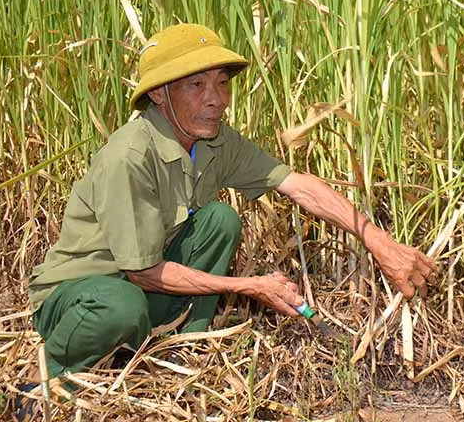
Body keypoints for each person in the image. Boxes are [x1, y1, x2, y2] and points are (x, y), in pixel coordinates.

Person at [27, 23, 437, 379]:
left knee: (219, 220)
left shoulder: (215, 140)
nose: (217, 99)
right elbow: (142, 273)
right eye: (197, 85)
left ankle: (181, 349)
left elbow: (297, 185)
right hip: (82, 296)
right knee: (122, 305)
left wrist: (381, 243)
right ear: (159, 96)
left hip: (135, 289)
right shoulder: (129, 157)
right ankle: (53, 373)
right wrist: (252, 286)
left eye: (222, 83)